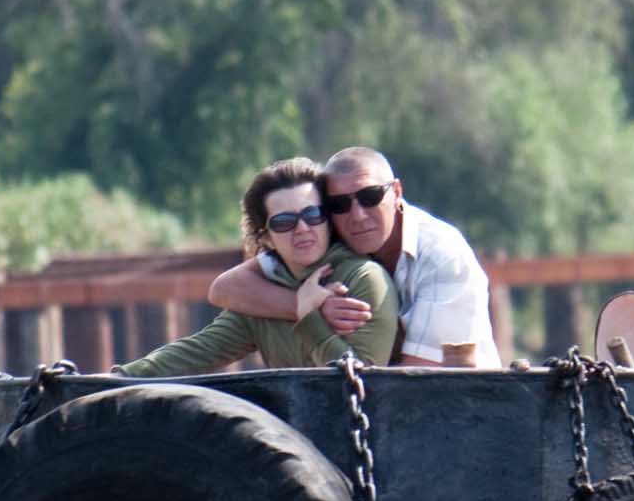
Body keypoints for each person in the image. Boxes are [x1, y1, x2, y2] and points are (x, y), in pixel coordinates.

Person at [206, 145, 497, 367]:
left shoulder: (442, 258)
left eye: (370, 197)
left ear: (396, 192)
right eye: (340, 204)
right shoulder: (324, 234)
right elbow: (224, 289)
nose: (357, 215)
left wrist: (313, 322)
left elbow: (419, 378)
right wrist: (302, 306)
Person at [115, 157, 398, 376]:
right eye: (284, 222)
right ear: (266, 237)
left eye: (313, 215)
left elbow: (360, 382)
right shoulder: (265, 294)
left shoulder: (363, 279)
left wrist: (309, 317)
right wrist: (116, 379)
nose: (302, 229)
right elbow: (197, 351)